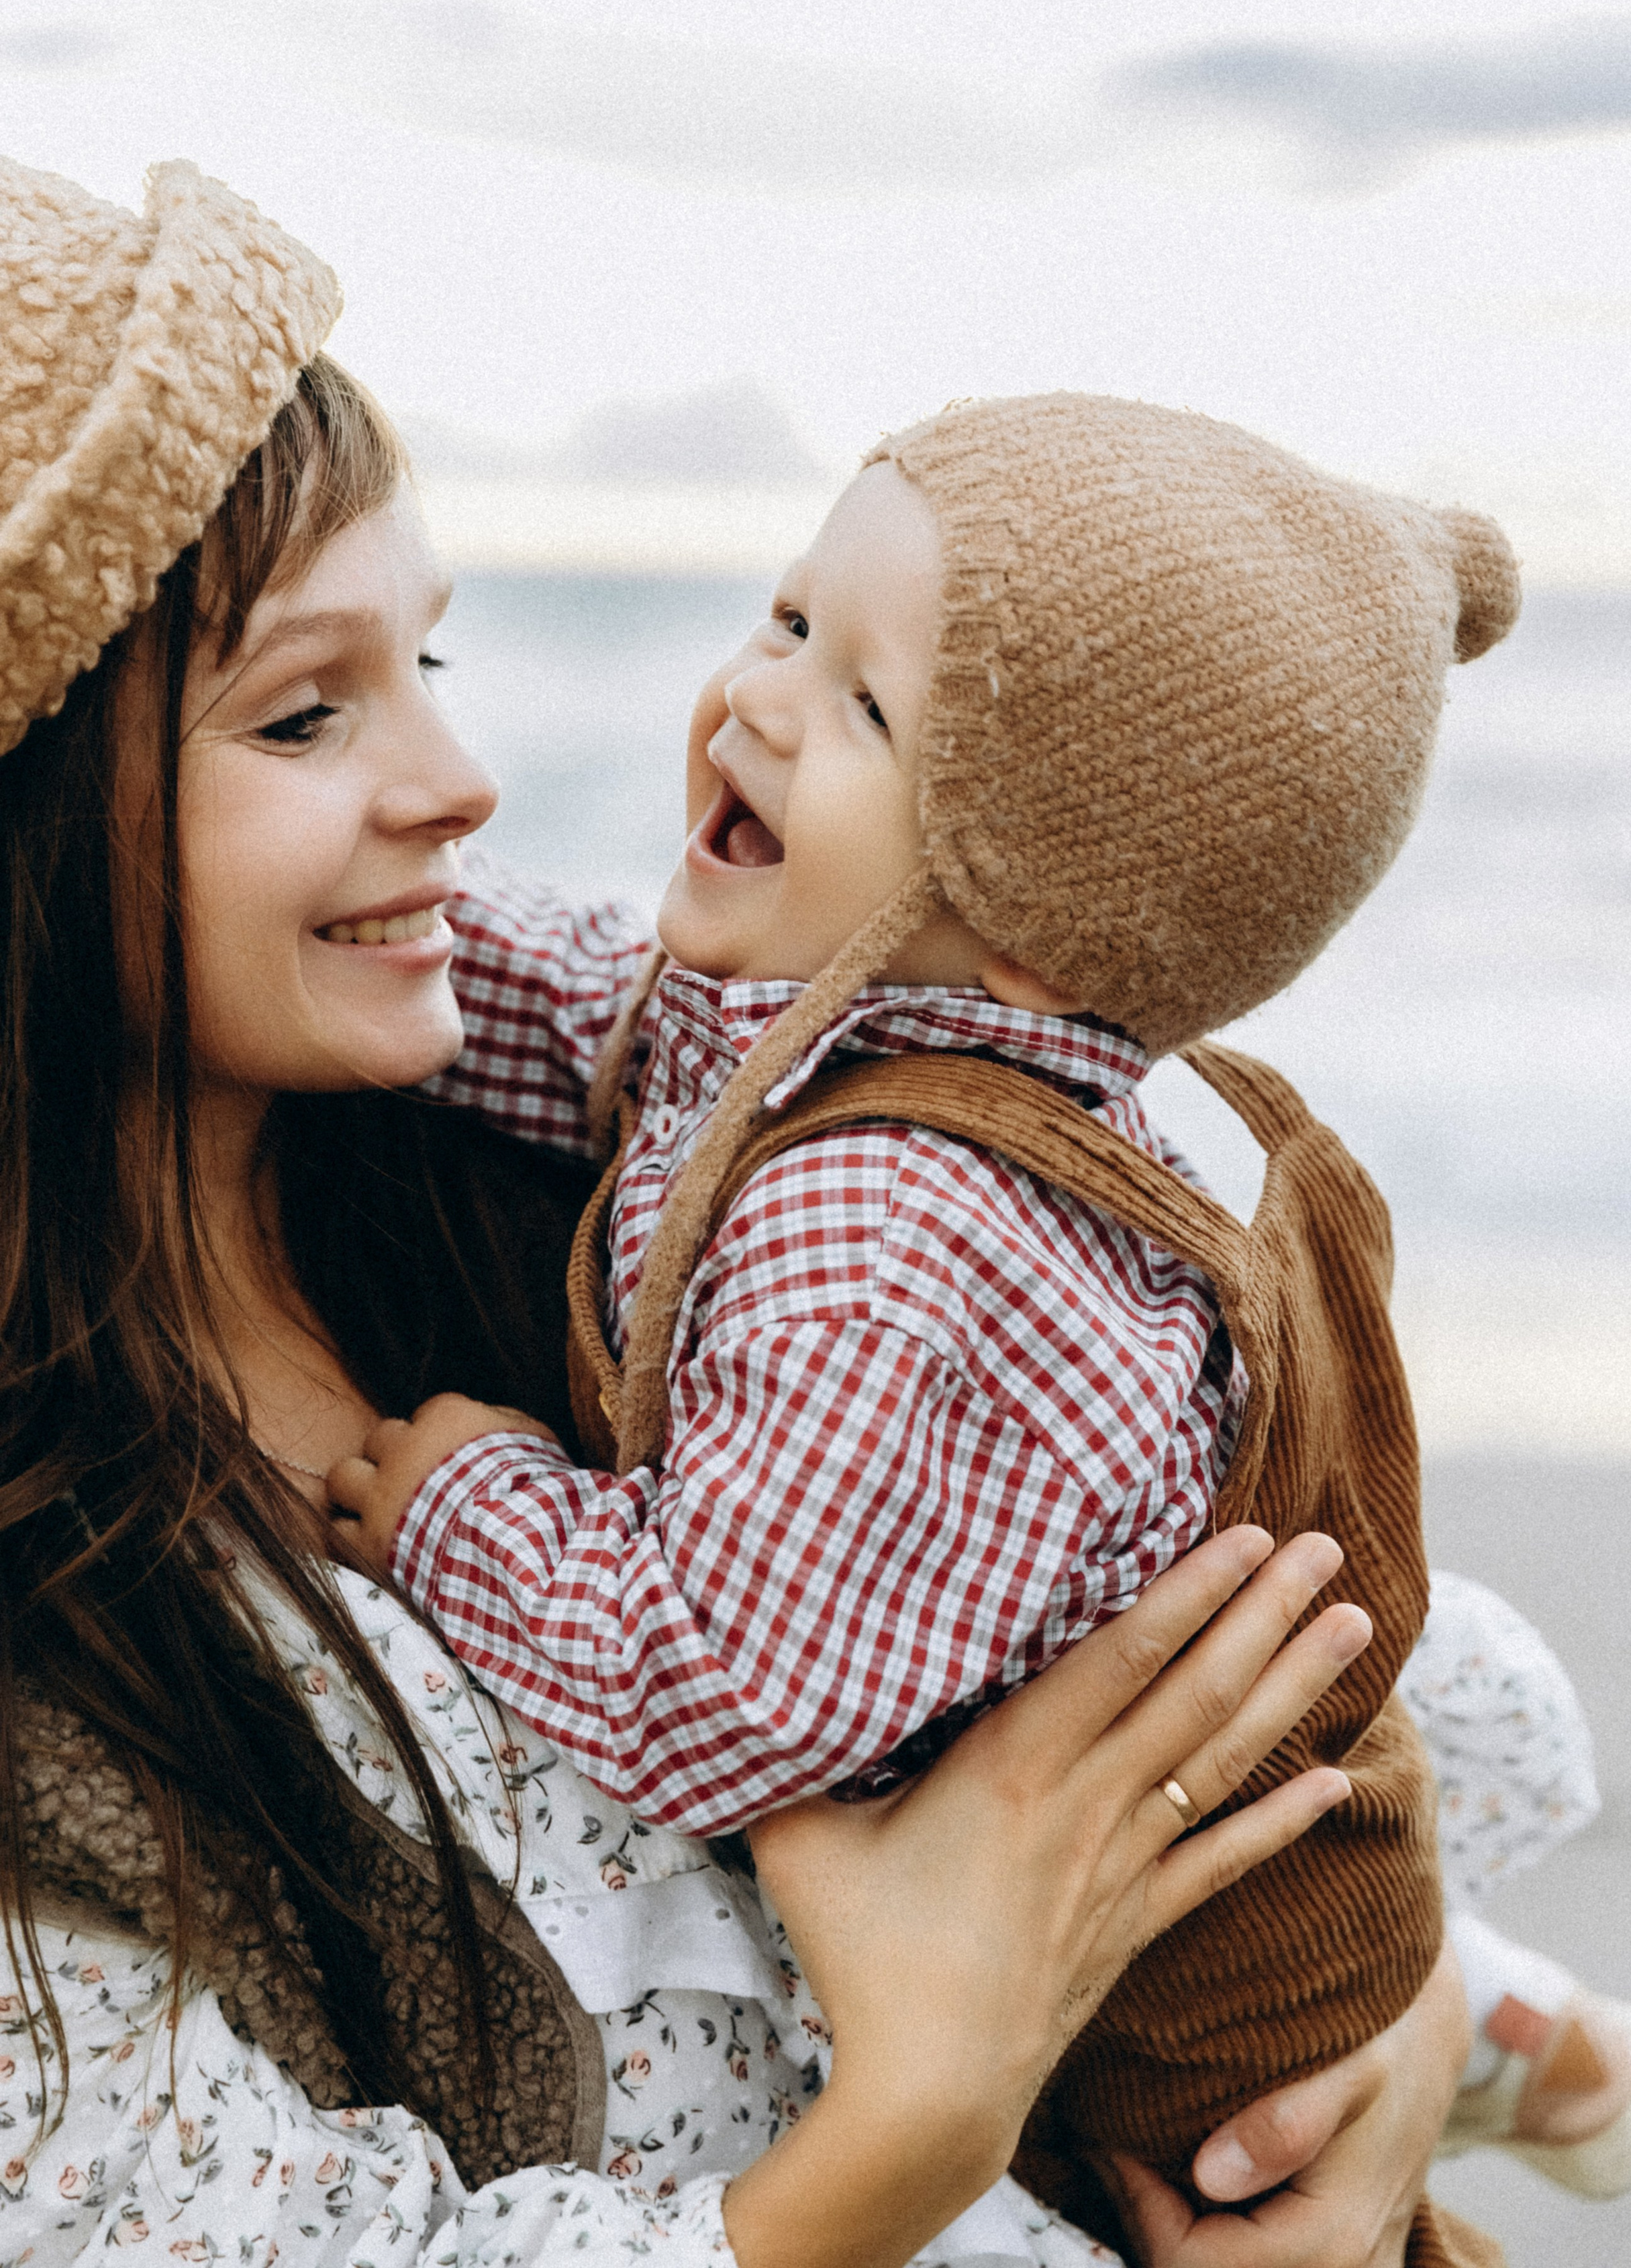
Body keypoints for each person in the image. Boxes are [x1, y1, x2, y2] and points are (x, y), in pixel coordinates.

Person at [0, 150, 1479, 2268]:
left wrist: (1377, 2020)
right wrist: (924, 2116)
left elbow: (1287, 1626)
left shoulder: (547, 1181)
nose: (463, 779)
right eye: (310, 708)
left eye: (435, 653)